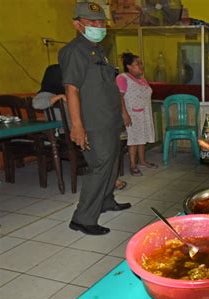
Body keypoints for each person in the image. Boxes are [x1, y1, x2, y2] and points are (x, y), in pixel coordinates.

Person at [59, 2, 131, 235]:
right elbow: (72, 89)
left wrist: (120, 112)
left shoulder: (98, 50)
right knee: (99, 165)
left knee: (111, 163)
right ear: (77, 24)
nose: (99, 26)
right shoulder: (74, 51)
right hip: (93, 123)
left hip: (108, 119)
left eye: (101, 22)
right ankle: (83, 218)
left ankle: (106, 200)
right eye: (92, 22)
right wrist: (77, 126)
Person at [32, 64, 128, 190]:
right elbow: (36, 103)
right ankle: (109, 180)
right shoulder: (46, 94)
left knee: (107, 139)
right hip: (67, 134)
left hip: (77, 130)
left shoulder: (71, 92)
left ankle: (106, 178)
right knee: (102, 146)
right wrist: (58, 97)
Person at [116, 52, 157, 176]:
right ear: (129, 66)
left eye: (141, 63)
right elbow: (119, 97)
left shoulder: (141, 78)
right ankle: (133, 165)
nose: (141, 66)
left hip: (143, 113)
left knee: (142, 136)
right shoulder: (123, 78)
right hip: (132, 113)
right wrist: (125, 114)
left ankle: (142, 161)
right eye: (137, 64)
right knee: (134, 139)